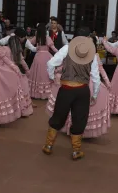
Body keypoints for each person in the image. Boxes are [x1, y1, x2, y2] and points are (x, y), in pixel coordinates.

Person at [42, 32, 101, 160]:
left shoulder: (67, 48)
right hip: (83, 91)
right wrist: (95, 94)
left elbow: (51, 63)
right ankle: (76, 151)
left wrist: (53, 77)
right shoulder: (91, 53)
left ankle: (48, 145)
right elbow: (96, 78)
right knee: (79, 119)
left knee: (58, 115)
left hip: (66, 88)